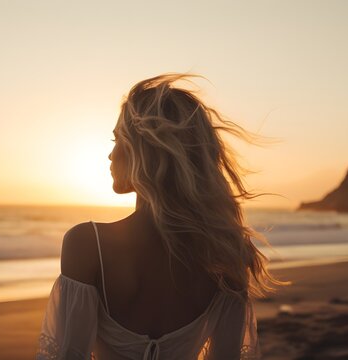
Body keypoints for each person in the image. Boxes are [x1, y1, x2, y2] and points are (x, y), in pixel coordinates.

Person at [36, 74, 280, 359]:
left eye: (118, 140)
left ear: (144, 151)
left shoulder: (87, 244)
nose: (110, 155)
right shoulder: (227, 254)